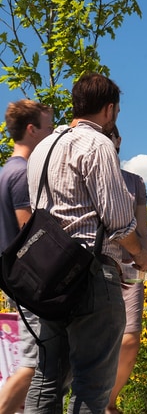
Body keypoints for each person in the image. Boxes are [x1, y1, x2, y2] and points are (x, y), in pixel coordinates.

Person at [24, 73, 147, 413]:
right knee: (92, 384)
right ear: (109, 110)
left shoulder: (43, 147)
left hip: (48, 275)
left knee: (47, 378)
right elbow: (118, 222)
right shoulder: (98, 145)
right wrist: (141, 254)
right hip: (91, 275)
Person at [105, 126, 147, 414]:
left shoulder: (135, 182)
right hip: (96, 270)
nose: (108, 141)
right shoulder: (92, 179)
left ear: (118, 141)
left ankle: (109, 400)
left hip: (131, 270)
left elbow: (142, 231)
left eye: (111, 136)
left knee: (131, 338)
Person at [0, 100, 53, 414]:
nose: (50, 134)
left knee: (35, 362)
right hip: (31, 282)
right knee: (33, 364)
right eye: (47, 128)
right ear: (32, 130)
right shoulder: (22, 174)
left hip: (17, 281)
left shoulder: (7, 169)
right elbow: (28, 231)